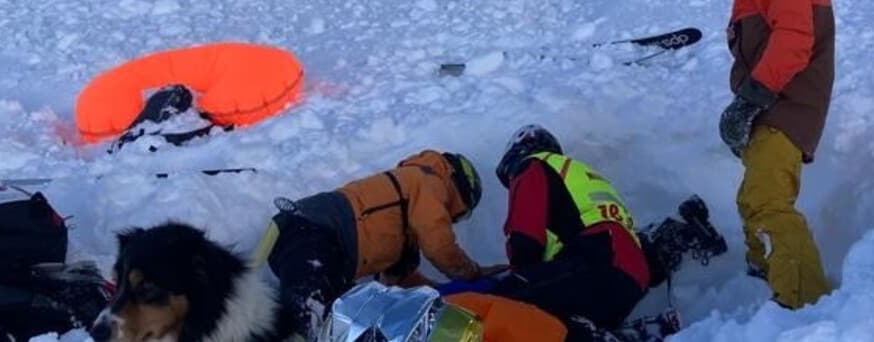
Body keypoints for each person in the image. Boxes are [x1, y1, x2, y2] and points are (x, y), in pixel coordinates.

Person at [696, 0, 835, 308]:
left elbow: (795, 38)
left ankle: (803, 308)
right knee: (754, 200)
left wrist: (751, 99)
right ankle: (770, 287)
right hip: (775, 107)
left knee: (768, 203)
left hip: (783, 106)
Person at [254, 150, 501, 340]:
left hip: (320, 250)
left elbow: (402, 287)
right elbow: (439, 246)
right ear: (462, 189)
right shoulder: (429, 180)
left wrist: (444, 296)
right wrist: (473, 275)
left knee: (341, 323)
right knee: (311, 323)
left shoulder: (405, 228)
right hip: (314, 233)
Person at [489, 125, 649, 335]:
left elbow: (525, 235)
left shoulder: (533, 165)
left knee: (503, 303)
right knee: (562, 326)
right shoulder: (586, 177)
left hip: (595, 258)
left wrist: (522, 277)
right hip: (632, 275)